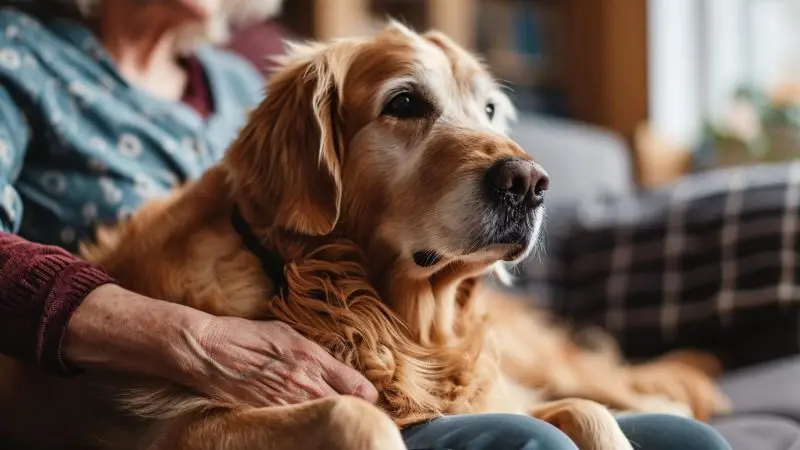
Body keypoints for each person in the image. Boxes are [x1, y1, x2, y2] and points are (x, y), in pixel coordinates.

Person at [0, 1, 732, 449]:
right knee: (519, 443)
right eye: (408, 107)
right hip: (181, 354)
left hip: (377, 325)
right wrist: (186, 337)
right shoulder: (18, 53)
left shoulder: (236, 78)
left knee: (682, 440)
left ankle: (634, 388)